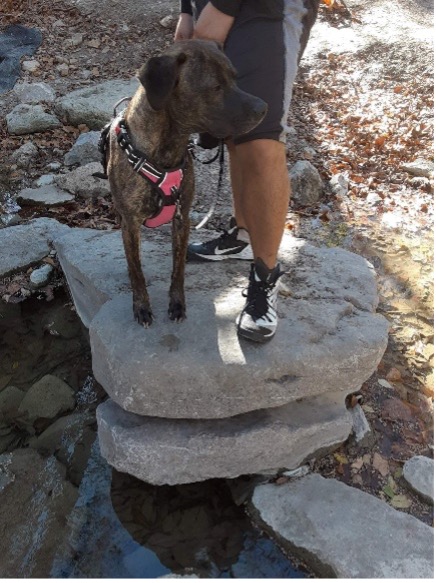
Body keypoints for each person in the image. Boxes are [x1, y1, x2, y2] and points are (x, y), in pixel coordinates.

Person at [175, 0, 319, 343]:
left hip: (265, 9)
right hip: (213, 7)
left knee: (262, 138)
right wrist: (187, 8)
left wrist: (223, 6)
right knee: (235, 129)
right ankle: (242, 235)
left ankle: (265, 276)